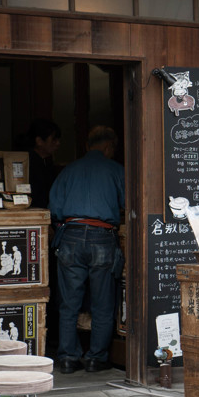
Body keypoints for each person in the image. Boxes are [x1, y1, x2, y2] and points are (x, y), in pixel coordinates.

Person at [49, 126, 125, 374]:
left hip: (70, 236)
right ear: (109, 147)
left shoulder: (68, 171)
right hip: (102, 236)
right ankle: (96, 358)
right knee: (103, 302)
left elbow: (54, 209)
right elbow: (129, 203)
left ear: (87, 145)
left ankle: (68, 358)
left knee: (69, 302)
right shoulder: (116, 170)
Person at [24, 118, 61, 209]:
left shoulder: (44, 162)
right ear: (39, 141)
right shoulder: (29, 163)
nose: (58, 143)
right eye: (53, 140)